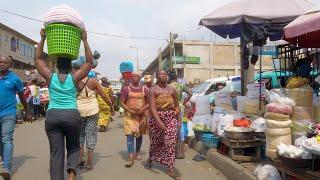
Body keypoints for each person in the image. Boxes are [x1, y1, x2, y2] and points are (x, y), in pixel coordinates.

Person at [35, 29, 93, 180]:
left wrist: (42, 39)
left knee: (56, 152)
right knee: (73, 146)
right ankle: (72, 174)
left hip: (53, 116)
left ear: (57, 65)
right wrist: (85, 40)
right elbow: (89, 63)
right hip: (72, 116)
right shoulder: (74, 78)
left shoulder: (50, 77)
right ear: (70, 66)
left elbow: (38, 60)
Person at [0, 55, 32, 178]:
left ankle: (6, 168)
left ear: (10, 64)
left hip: (8, 113)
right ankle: (4, 159)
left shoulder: (15, 79)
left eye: (4, 62)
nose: (2, 64)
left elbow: (22, 97)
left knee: (6, 138)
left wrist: (27, 111)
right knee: (1, 139)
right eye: (0, 62)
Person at [145, 70, 181, 180]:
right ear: (156, 76)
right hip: (157, 118)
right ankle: (151, 158)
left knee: (170, 142)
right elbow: (152, 107)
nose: (163, 76)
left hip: (170, 117)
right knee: (156, 142)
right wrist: (159, 123)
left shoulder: (172, 89)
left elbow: (176, 105)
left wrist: (179, 120)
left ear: (167, 76)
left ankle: (171, 169)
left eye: (164, 74)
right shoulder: (153, 90)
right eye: (160, 74)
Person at [76, 73, 114, 170]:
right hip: (92, 110)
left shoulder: (74, 79)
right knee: (91, 135)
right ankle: (89, 163)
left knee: (80, 136)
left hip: (78, 111)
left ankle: (81, 159)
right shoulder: (93, 81)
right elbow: (104, 96)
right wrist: (111, 107)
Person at [120, 72, 149, 167]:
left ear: (140, 78)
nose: (135, 78)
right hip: (129, 116)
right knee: (130, 135)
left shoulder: (145, 89)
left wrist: (142, 110)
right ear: (131, 78)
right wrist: (129, 110)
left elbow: (149, 103)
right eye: (134, 76)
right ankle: (130, 157)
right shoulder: (126, 89)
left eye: (137, 76)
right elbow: (122, 102)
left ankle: (138, 152)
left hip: (141, 116)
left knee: (139, 135)